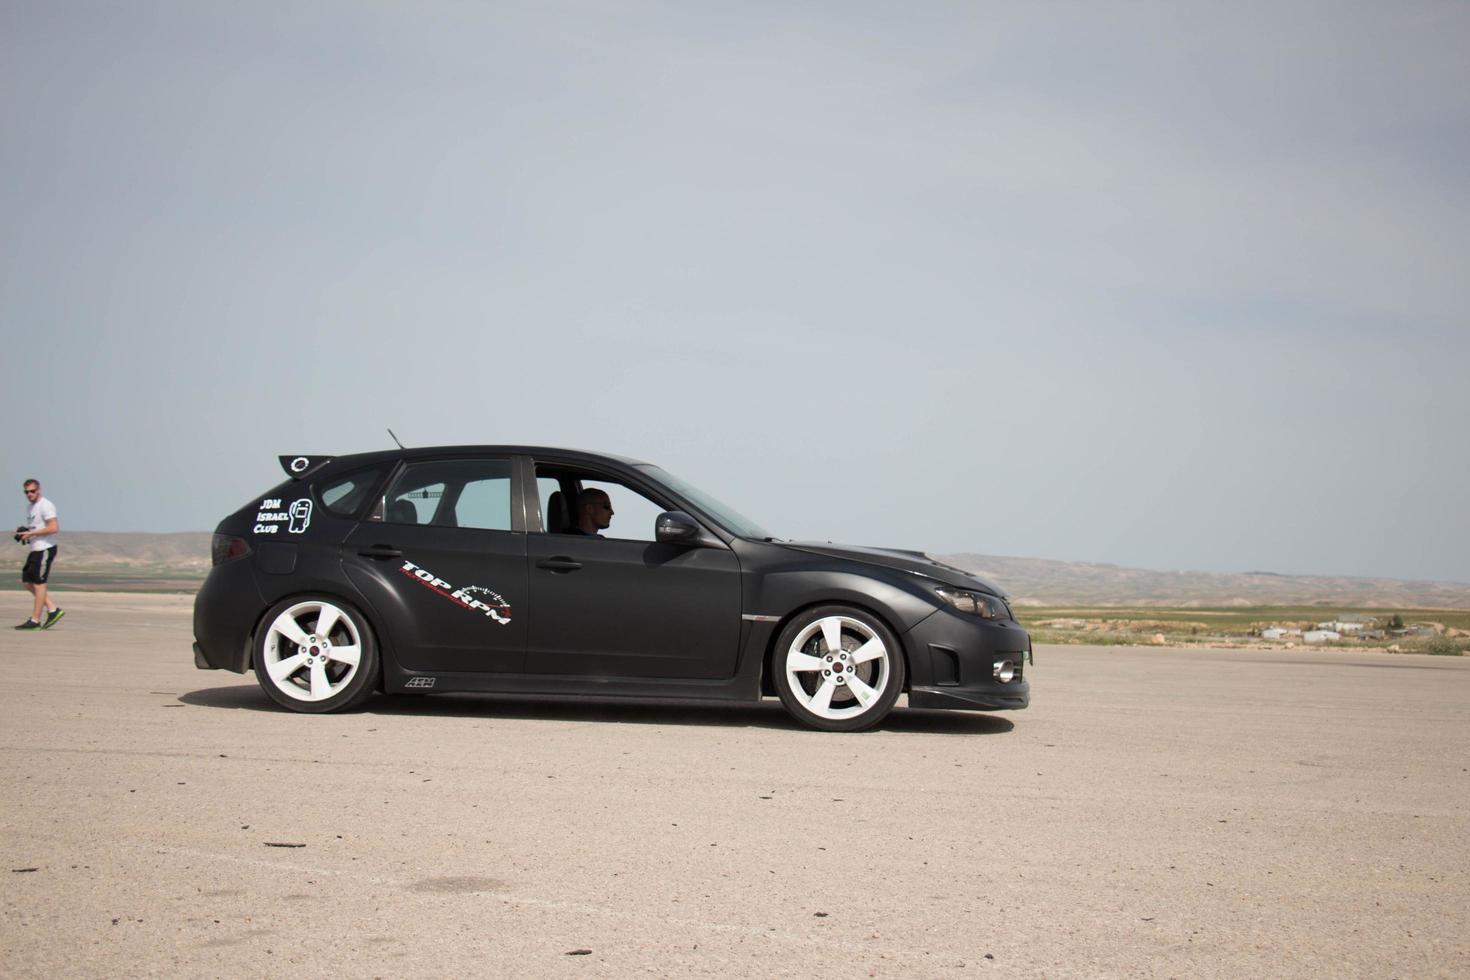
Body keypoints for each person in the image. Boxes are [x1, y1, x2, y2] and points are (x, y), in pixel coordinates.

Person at [16, 479, 63, 630]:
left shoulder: (46, 505)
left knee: (39, 584)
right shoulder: (30, 507)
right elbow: (36, 528)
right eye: (26, 492)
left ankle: (35, 621)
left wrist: (32, 533)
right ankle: (53, 609)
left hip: (45, 549)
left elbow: (54, 527)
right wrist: (25, 534)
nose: (29, 494)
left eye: (32, 491)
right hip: (35, 549)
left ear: (39, 490)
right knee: (27, 582)